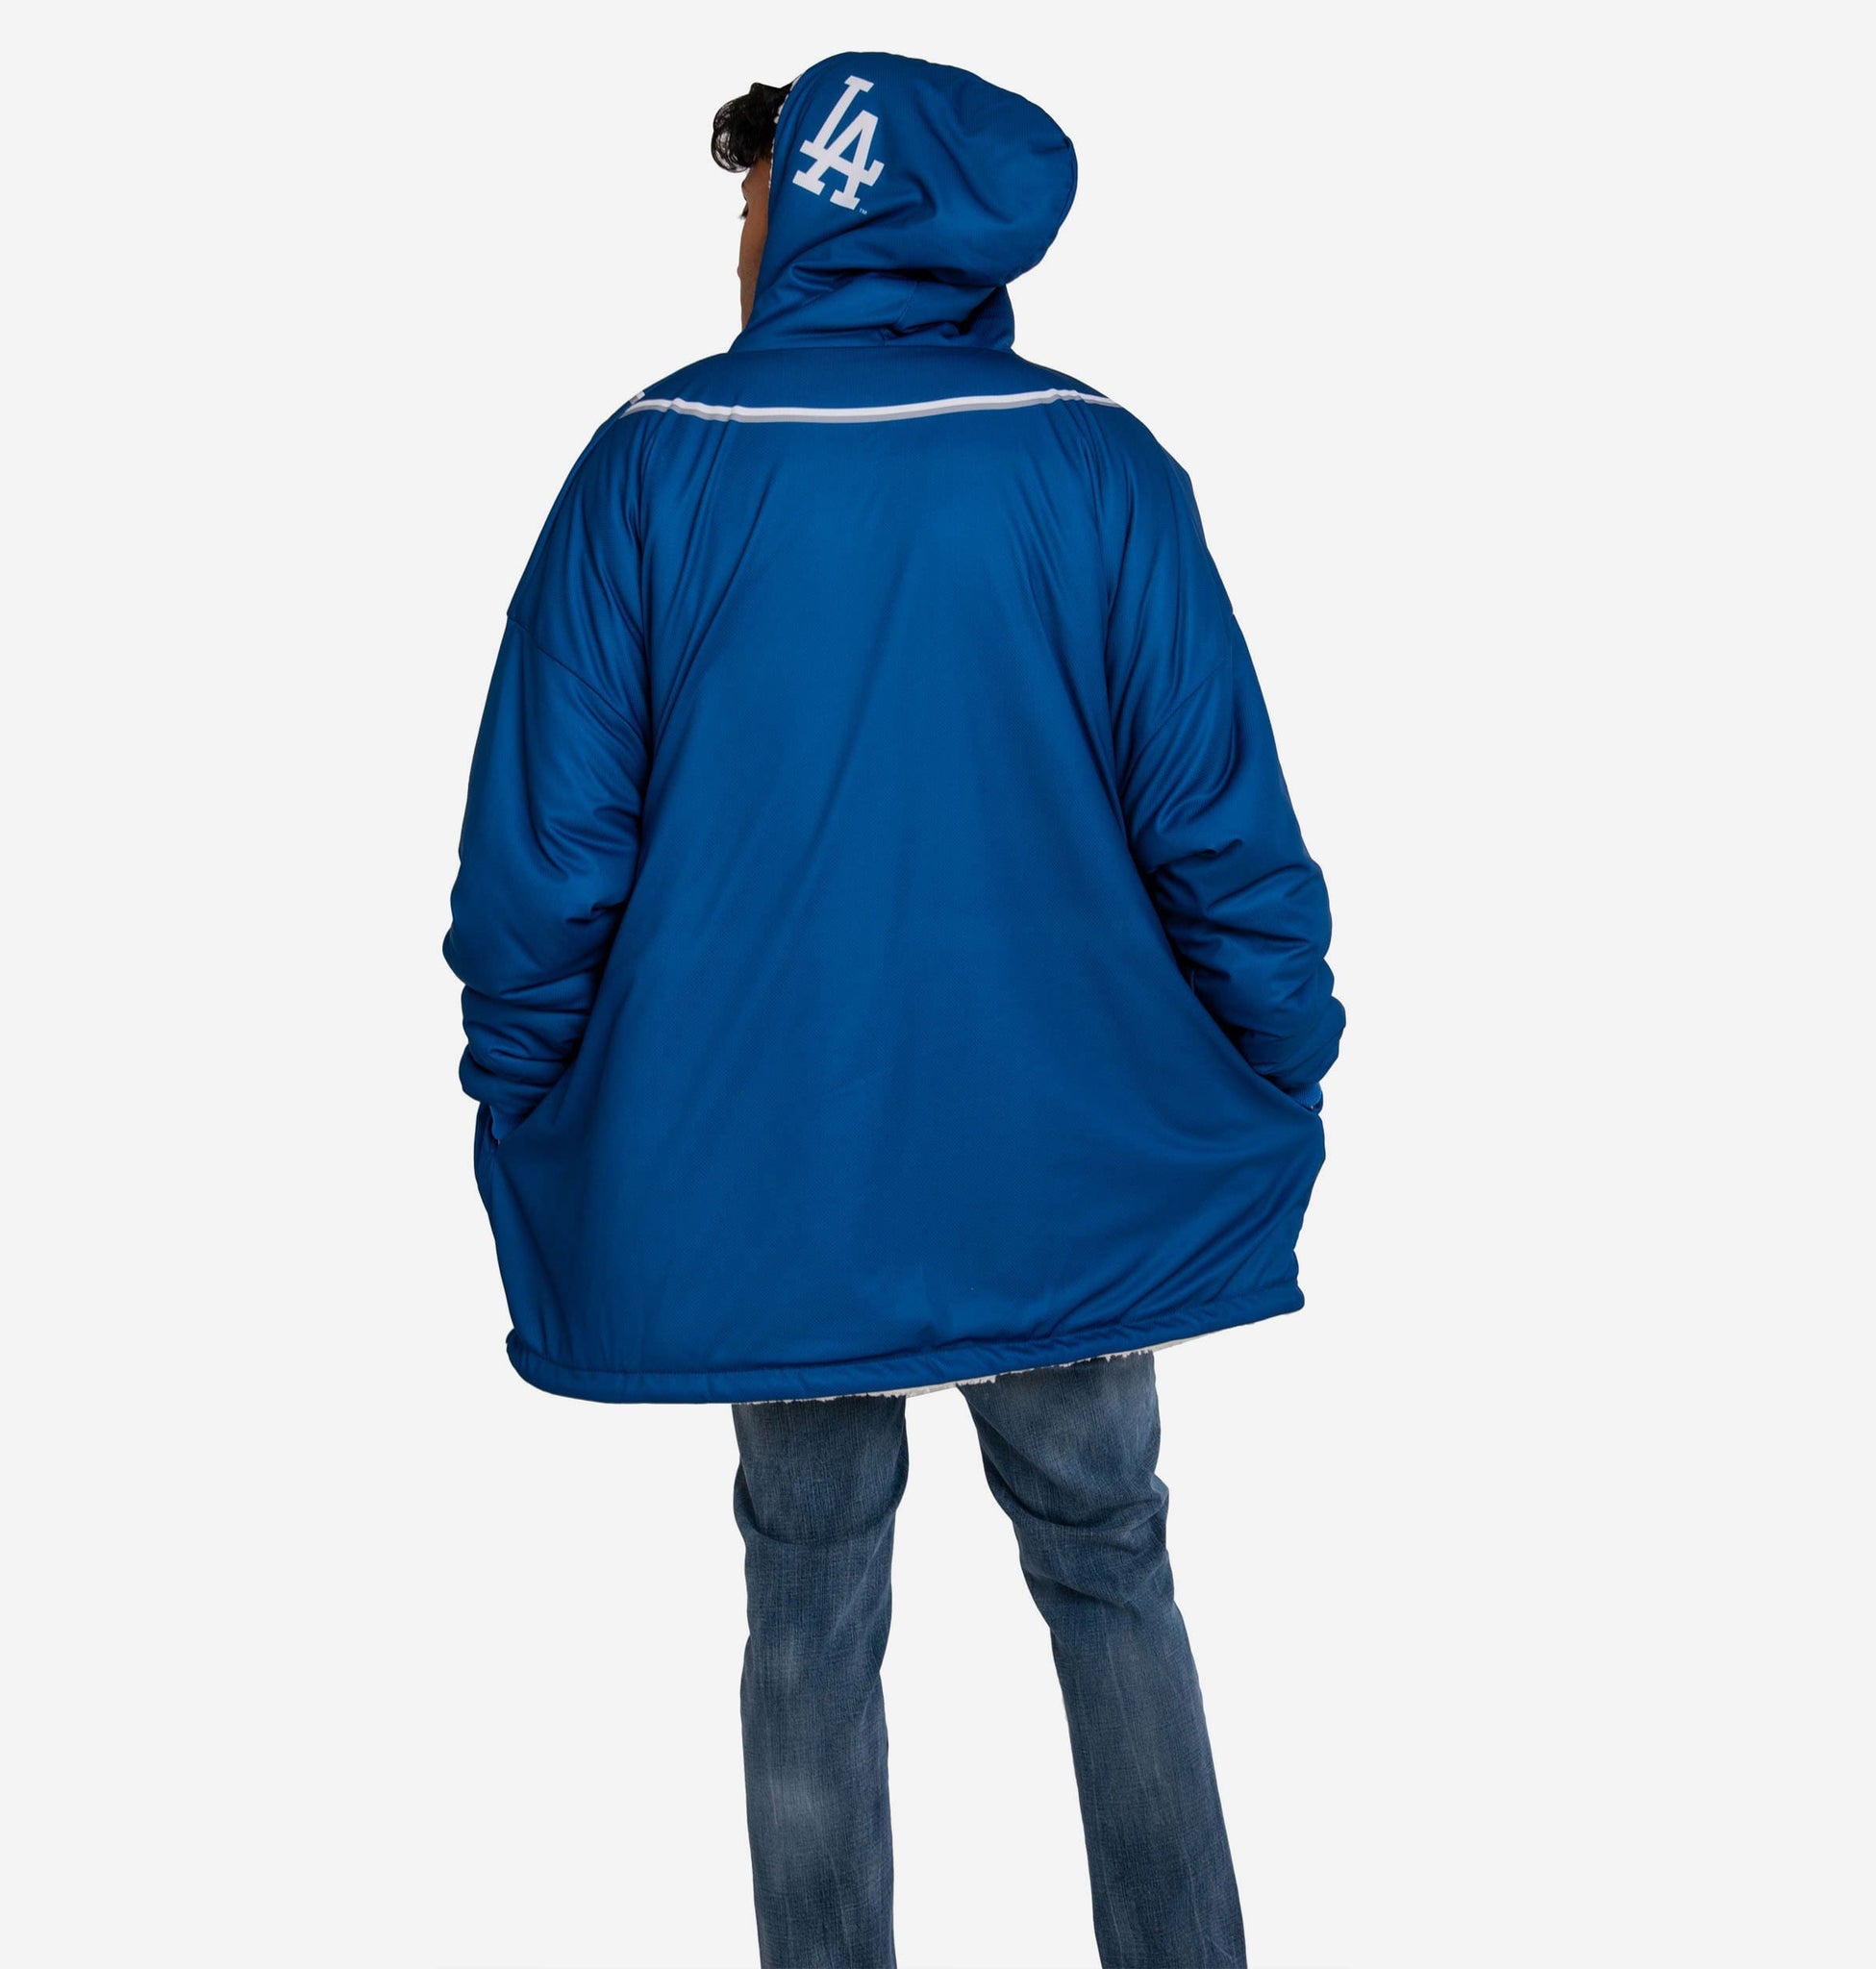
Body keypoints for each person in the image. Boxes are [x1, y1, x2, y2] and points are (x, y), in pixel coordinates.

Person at [445, 50, 1343, 1969]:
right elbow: (1216, 824)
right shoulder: (1092, 462)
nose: (742, 234)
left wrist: (526, 1095)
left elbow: (543, 857)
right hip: (1063, 1156)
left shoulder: (653, 465)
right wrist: (1276, 1053)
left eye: (758, 193)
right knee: (1108, 1559)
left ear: (834, 195)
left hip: (772, 1168)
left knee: (808, 1584)